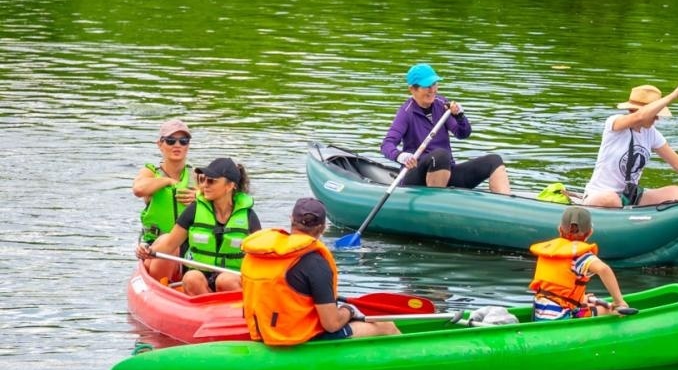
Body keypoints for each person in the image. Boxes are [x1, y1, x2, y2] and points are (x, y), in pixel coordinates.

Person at [240, 198, 399, 343]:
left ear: (291, 219)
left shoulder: (257, 254)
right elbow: (331, 324)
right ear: (323, 228)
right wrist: (349, 310)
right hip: (299, 338)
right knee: (386, 326)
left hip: (262, 332)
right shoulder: (315, 263)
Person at [579, 83, 678, 207]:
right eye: (655, 113)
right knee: (611, 199)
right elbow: (640, 116)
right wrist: (674, 94)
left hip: (630, 197)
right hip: (600, 196)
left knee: (677, 192)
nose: (657, 118)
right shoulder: (615, 123)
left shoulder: (651, 133)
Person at [381, 63, 511, 195]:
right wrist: (400, 156)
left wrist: (460, 116)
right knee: (441, 155)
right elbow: (386, 145)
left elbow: (462, 134)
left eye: (434, 84)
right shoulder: (406, 113)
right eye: (426, 86)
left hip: (446, 170)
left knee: (494, 160)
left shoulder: (442, 104)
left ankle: (505, 202)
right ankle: (434, 202)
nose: (432, 90)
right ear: (412, 89)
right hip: (415, 175)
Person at [139, 157, 261, 296]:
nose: (204, 185)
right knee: (191, 278)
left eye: (211, 181)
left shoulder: (248, 216)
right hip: (200, 275)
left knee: (225, 280)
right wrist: (147, 251)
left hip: (231, 275)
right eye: (203, 180)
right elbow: (169, 244)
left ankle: (237, 306)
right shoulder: (194, 210)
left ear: (230, 186)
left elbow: (260, 255)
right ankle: (209, 305)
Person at [527, 206, 629, 320]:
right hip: (561, 317)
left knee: (586, 303)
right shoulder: (580, 256)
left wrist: (580, 298)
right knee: (607, 310)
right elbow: (603, 269)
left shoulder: (550, 251)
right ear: (590, 232)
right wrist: (619, 301)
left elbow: (556, 290)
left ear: (559, 229)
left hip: (539, 313)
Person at [134, 118, 197, 282]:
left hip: (190, 245)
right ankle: (161, 284)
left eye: (183, 141)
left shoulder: (197, 176)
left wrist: (199, 198)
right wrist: (167, 181)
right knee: (170, 243)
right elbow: (139, 189)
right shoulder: (151, 172)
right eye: (170, 140)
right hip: (157, 245)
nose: (177, 145)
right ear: (160, 144)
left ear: (188, 145)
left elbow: (221, 202)